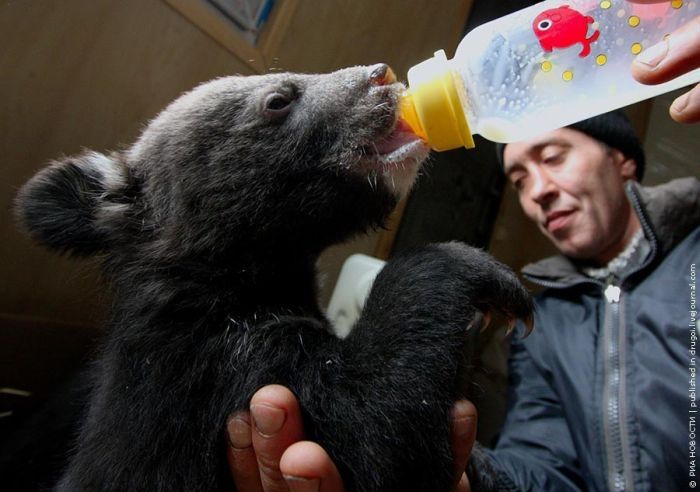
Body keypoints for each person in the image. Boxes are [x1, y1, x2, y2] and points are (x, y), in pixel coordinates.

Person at [226, 10, 700, 492]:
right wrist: (463, 469)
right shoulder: (544, 319)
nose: (538, 191)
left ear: (623, 162)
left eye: (553, 158)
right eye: (518, 179)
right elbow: (548, 470)